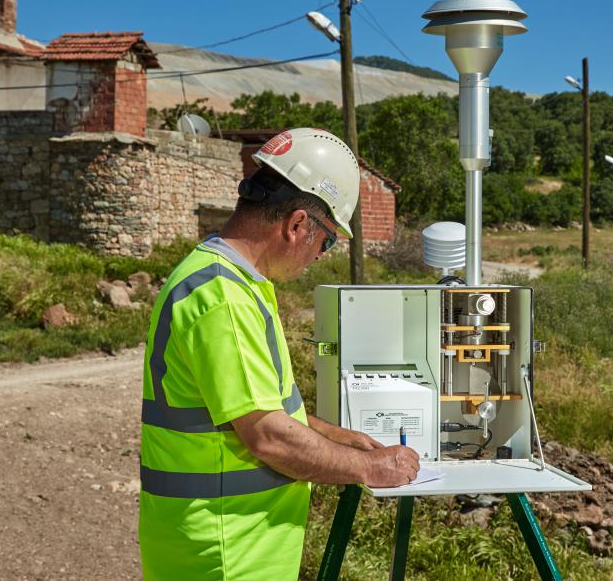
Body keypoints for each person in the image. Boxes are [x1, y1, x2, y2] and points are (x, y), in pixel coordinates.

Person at [139, 128, 420, 580]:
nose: (320, 256)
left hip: (228, 544)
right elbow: (267, 435)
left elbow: (256, 407)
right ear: (296, 225)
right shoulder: (222, 297)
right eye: (327, 241)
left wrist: (339, 436)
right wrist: (370, 467)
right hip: (226, 551)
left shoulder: (233, 281)